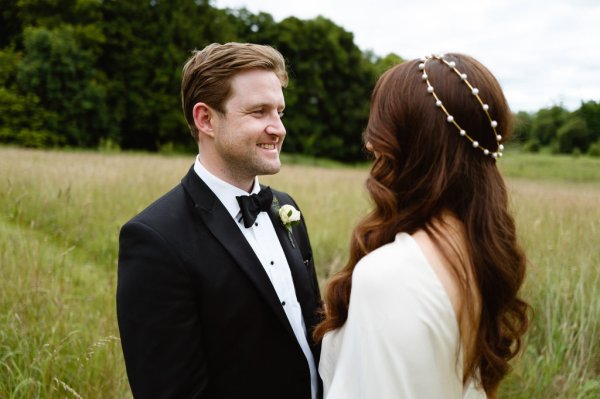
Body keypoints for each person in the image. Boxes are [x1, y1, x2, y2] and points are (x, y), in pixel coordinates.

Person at [315, 53, 530, 399]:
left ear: (414, 145)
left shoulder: (390, 275)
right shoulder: (480, 250)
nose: (370, 144)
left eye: (381, 131)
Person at [117, 43, 322, 399]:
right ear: (206, 119)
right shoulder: (154, 239)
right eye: (259, 112)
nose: (278, 128)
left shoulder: (285, 209)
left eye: (280, 112)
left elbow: (311, 330)